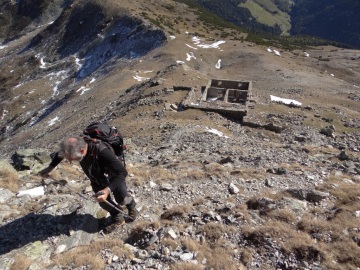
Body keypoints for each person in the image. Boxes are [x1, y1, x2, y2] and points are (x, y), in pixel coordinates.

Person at [39, 136, 138, 232]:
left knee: (121, 197)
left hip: (113, 171)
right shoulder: (75, 147)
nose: (69, 161)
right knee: (102, 200)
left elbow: (122, 172)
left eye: (71, 158)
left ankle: (131, 206)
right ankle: (117, 217)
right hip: (94, 172)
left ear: (82, 151)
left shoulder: (103, 152)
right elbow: (61, 153)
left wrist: (107, 190)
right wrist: (50, 168)